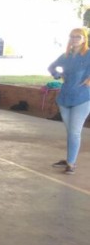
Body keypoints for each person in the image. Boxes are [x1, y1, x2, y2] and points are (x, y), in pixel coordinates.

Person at [48, 27, 90, 175]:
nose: (74, 39)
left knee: (74, 132)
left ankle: (71, 164)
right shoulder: (66, 56)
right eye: (72, 36)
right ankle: (69, 159)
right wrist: (57, 75)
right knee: (70, 131)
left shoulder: (88, 54)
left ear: (84, 38)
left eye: (78, 36)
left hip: (83, 98)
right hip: (65, 98)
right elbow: (51, 67)